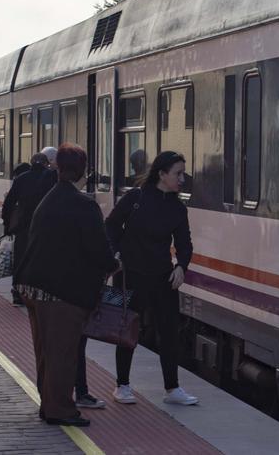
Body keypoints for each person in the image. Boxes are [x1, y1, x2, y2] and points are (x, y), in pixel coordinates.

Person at [12, 143, 118, 427]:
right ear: (83, 171)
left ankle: (49, 405)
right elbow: (98, 248)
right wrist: (113, 264)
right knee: (63, 353)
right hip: (61, 292)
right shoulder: (84, 205)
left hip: (34, 286)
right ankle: (60, 409)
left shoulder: (50, 199)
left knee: (46, 352)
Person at [106, 150, 198, 406]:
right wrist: (114, 255)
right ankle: (122, 385)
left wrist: (181, 266)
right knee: (126, 329)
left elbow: (185, 243)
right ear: (162, 174)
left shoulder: (178, 208)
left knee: (169, 333)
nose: (182, 179)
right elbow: (110, 226)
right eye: (178, 174)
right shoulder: (135, 198)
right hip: (128, 275)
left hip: (163, 277)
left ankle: (173, 388)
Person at [2, 149, 57, 306]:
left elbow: (8, 204)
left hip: (23, 227)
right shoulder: (52, 178)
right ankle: (40, 293)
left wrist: (7, 225)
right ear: (47, 163)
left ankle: (18, 295)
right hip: (46, 228)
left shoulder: (21, 179)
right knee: (42, 260)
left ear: (31, 163)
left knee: (21, 261)